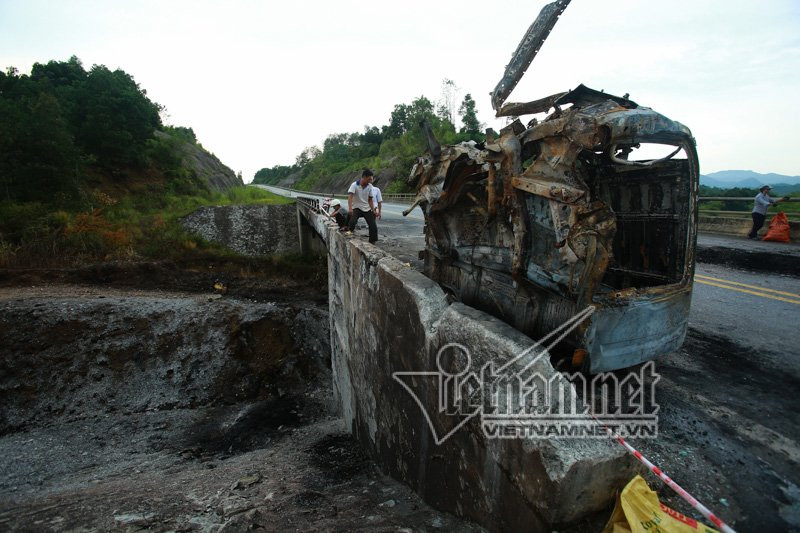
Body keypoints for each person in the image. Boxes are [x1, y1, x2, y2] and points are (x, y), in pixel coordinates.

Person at [347, 169, 378, 243]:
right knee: (353, 222)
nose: (370, 181)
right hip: (356, 207)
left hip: (366, 208)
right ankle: (350, 230)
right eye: (369, 179)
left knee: (373, 225)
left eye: (371, 179)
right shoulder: (354, 185)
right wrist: (350, 208)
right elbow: (350, 196)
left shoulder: (370, 186)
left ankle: (372, 241)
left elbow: (370, 199)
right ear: (364, 177)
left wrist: (373, 210)